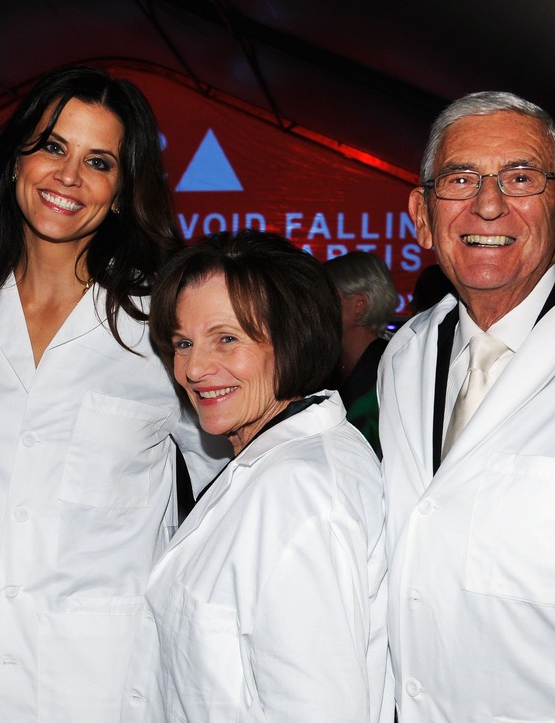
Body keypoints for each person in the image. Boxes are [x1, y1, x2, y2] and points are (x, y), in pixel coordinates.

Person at [0, 65, 230, 722]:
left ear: (121, 192)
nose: (69, 176)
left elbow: (229, 486)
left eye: (98, 162)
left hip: (101, 682)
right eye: (52, 147)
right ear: (15, 161)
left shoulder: (160, 322)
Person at [378, 90, 555, 721]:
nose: (487, 204)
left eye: (520, 177)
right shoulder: (405, 356)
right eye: (460, 179)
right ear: (422, 216)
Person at [121, 230, 390, 722]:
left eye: (227, 339)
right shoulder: (270, 460)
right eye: (183, 343)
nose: (194, 368)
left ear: (292, 337)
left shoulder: (299, 490)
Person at [324, 250, 399, 457]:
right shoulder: (324, 366)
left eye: (326, 297)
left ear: (359, 305)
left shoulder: (391, 369)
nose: (313, 307)